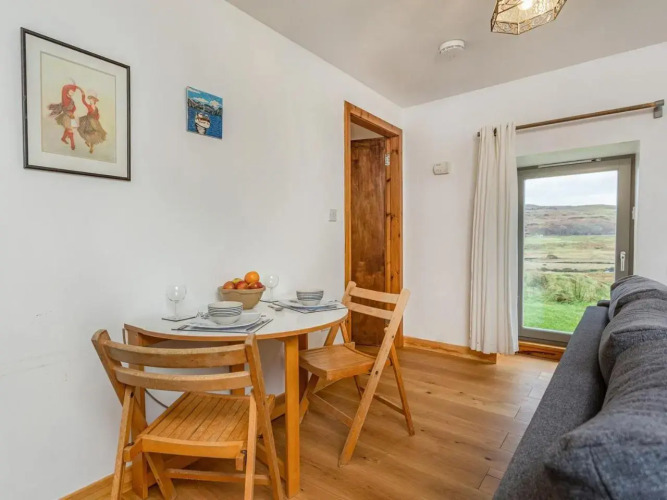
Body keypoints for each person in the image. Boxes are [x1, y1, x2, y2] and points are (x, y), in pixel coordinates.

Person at [47, 83, 81, 150]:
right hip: (67, 116)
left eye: (73, 92)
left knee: (68, 128)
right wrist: (75, 86)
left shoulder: (70, 99)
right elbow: (64, 88)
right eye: (71, 91)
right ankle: (73, 145)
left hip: (71, 116)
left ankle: (63, 138)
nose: (72, 93)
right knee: (70, 130)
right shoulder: (64, 97)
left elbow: (73, 108)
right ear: (67, 90)